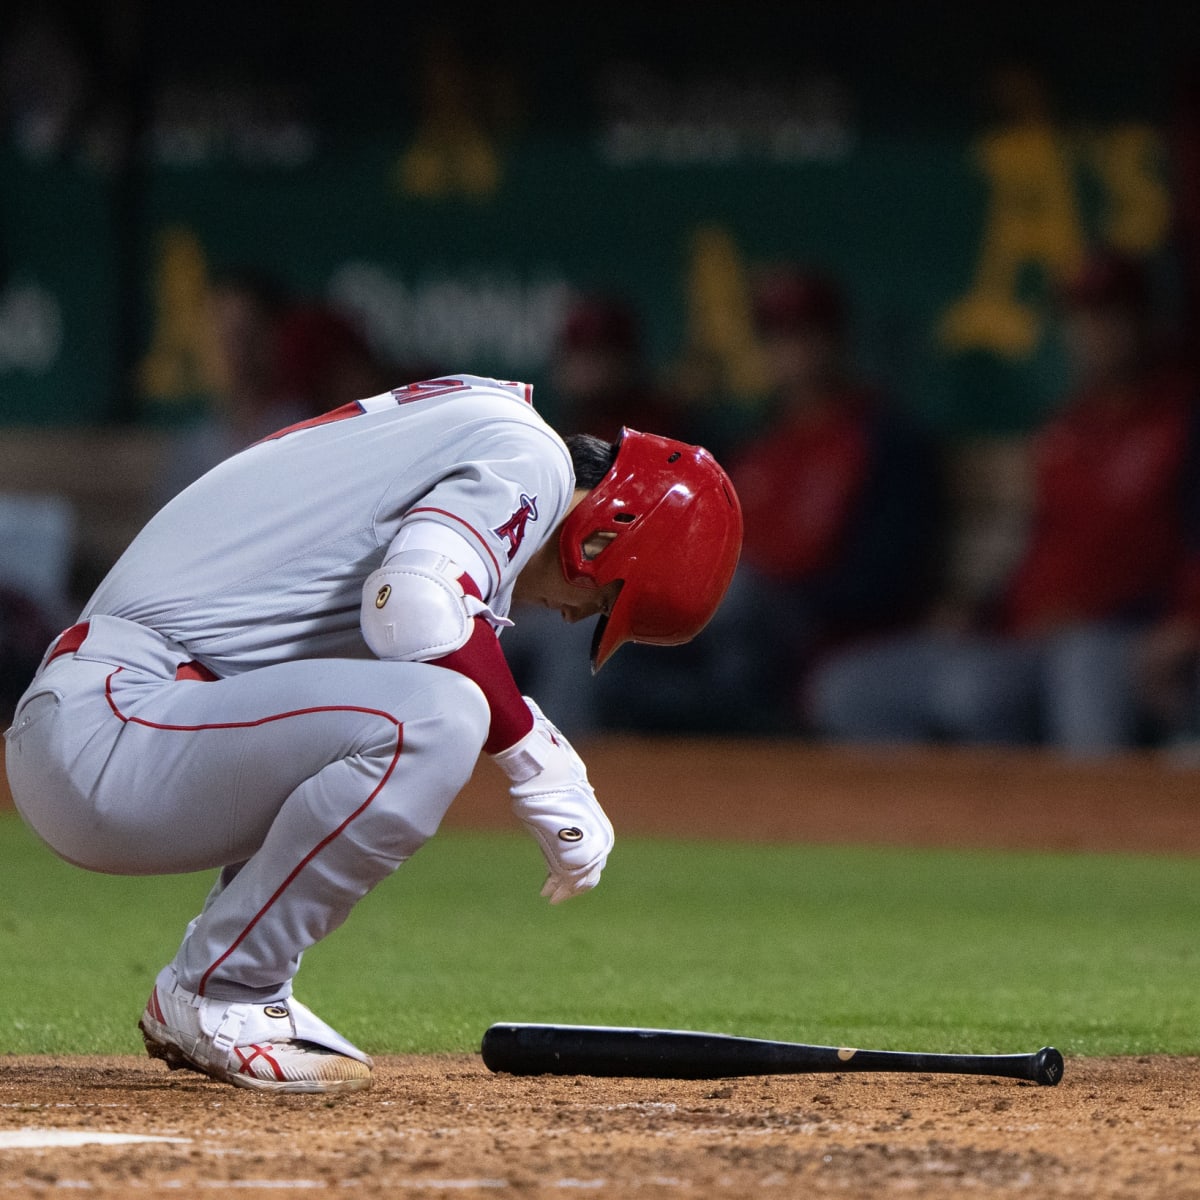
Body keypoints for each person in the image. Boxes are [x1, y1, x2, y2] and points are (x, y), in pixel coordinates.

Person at [4, 374, 743, 1095]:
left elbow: (397, 618)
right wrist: (536, 756)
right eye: (608, 600)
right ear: (607, 533)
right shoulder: (533, 458)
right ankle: (222, 988)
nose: (580, 618)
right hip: (117, 719)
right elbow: (414, 607)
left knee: (419, 698)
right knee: (439, 714)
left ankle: (236, 984)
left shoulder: (481, 431)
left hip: (121, 720)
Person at [812, 251, 1200, 754]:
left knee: (1026, 681)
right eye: (1081, 317)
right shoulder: (1066, 430)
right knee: (851, 690)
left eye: (1109, 314)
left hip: (1119, 639)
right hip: (1023, 637)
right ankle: (932, 827)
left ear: (1144, 321)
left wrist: (1187, 624)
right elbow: (1043, 553)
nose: (1093, 332)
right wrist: (973, 613)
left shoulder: (1182, 422)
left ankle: (1089, 826)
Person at [607, 267, 940, 734]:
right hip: (739, 625)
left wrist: (793, 602)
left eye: (805, 332)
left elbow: (888, 574)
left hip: (820, 626)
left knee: (735, 602)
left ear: (836, 338)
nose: (792, 349)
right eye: (777, 333)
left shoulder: (883, 439)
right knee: (623, 618)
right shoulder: (759, 441)